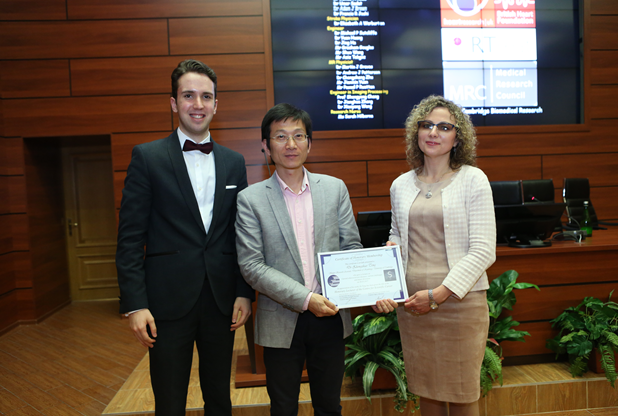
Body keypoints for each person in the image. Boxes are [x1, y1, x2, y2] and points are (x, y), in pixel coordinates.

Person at [115, 59, 254, 416]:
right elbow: (129, 238)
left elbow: (240, 234)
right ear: (174, 103)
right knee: (170, 401)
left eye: (206, 96)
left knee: (219, 399)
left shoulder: (234, 162)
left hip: (221, 300)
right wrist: (135, 304)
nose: (198, 104)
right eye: (188, 95)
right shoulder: (147, 157)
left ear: (216, 105)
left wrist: (243, 291)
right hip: (165, 302)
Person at [235, 103, 362, 416]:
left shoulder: (334, 189)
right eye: (280, 136)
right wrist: (306, 299)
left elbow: (351, 247)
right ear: (266, 146)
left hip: (331, 314)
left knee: (329, 406)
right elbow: (252, 266)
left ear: (309, 143)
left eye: (298, 135)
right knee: (283, 408)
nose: (290, 144)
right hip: (280, 318)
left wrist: (371, 280)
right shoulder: (250, 199)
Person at [377, 95, 496, 416]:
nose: (433, 132)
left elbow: (484, 249)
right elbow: (397, 236)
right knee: (426, 392)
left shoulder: (473, 179)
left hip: (459, 304)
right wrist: (386, 268)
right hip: (413, 307)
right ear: (415, 133)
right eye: (426, 125)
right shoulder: (400, 185)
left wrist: (438, 294)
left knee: (462, 394)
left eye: (444, 127)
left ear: (457, 138)